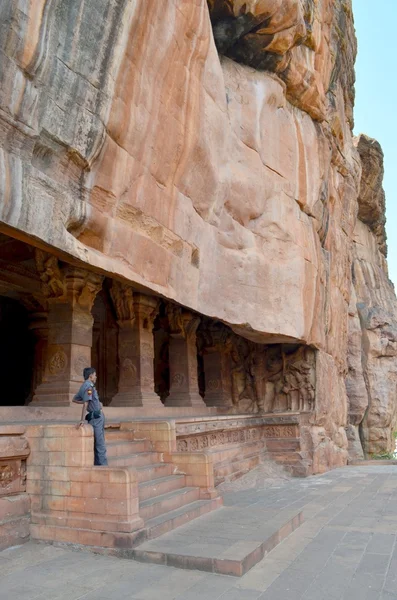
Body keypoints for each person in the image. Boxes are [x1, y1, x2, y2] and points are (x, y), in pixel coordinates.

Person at [73, 367, 108, 466]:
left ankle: (99, 465)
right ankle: (103, 468)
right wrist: (82, 420)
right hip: (96, 417)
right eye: (95, 375)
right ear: (90, 376)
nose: (96, 377)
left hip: (96, 417)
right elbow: (86, 404)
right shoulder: (89, 387)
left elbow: (75, 399)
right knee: (100, 444)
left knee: (98, 443)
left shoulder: (83, 386)